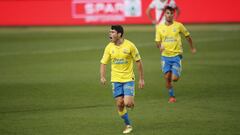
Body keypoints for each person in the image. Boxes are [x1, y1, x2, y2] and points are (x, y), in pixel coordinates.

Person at [100, 25, 145, 134]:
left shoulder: (130, 46)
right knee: (120, 104)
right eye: (110, 32)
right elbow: (103, 63)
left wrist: (141, 79)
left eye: (112, 32)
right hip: (115, 80)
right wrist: (102, 76)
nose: (110, 34)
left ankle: (130, 102)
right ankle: (128, 125)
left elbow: (138, 61)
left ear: (119, 34)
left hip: (128, 78)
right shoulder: (109, 47)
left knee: (128, 103)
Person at [155, 6, 196, 103]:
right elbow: (157, 41)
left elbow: (188, 36)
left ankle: (177, 71)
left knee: (175, 78)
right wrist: (159, 46)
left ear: (174, 14)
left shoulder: (179, 25)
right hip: (165, 56)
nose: (169, 15)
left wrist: (192, 47)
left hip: (176, 55)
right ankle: (172, 96)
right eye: (167, 13)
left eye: (171, 13)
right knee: (167, 78)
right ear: (164, 14)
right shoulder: (159, 27)